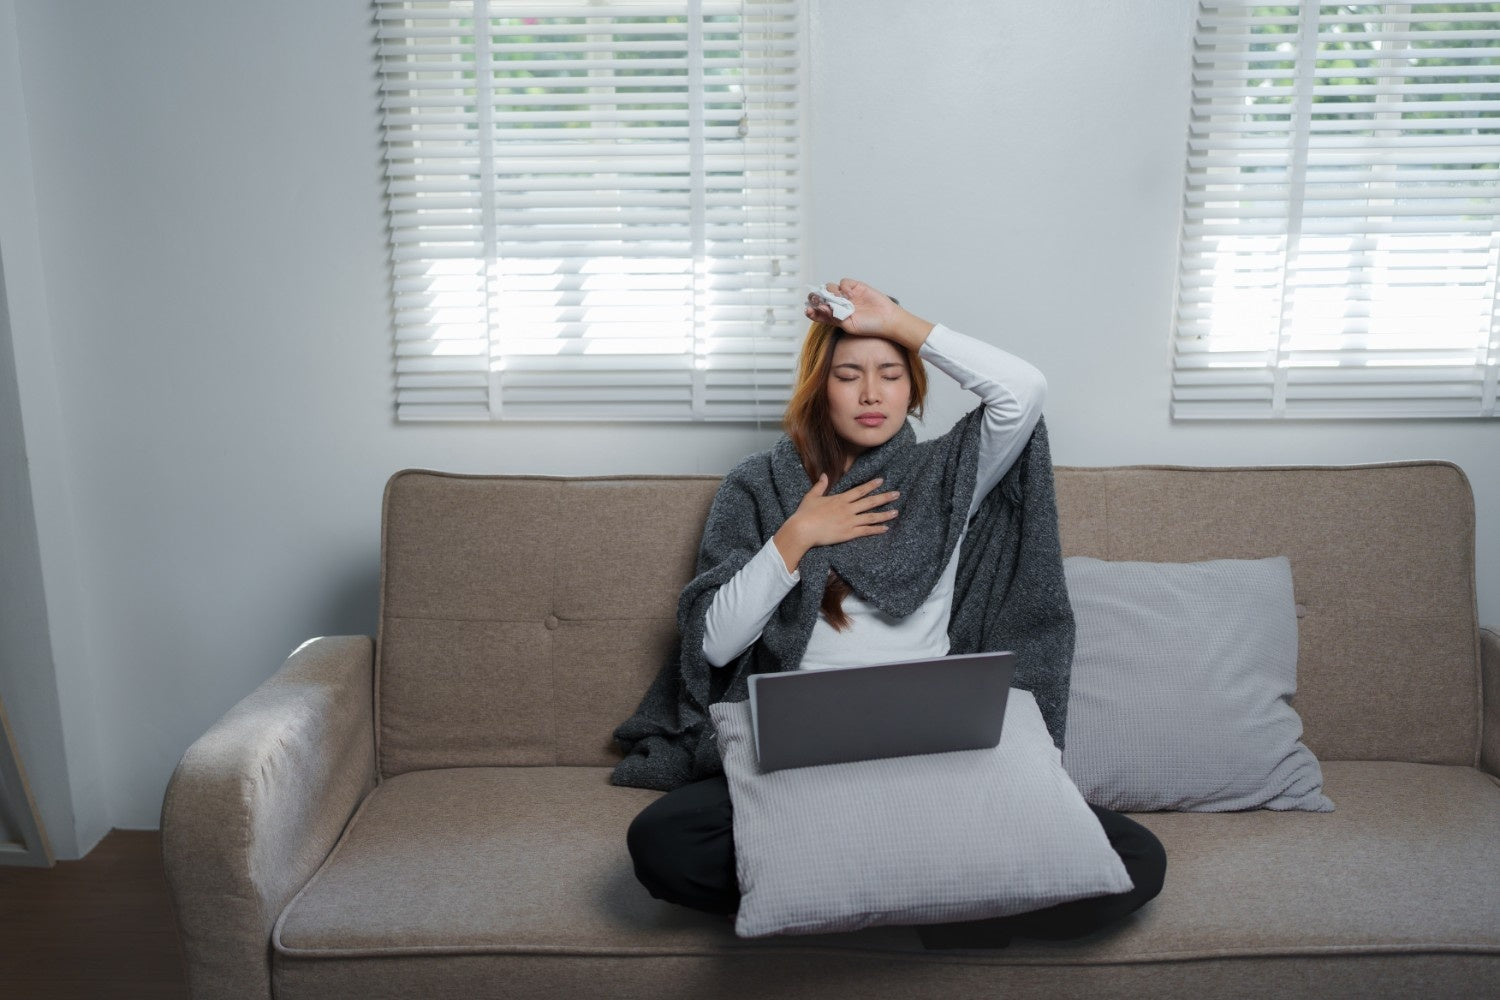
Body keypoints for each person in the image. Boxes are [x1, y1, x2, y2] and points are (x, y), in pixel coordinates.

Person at [616, 279, 1165, 946]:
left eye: (891, 374)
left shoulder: (947, 474)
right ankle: (927, 901)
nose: (872, 394)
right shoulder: (759, 485)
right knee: (662, 842)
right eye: (849, 375)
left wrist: (899, 321)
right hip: (802, 754)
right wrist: (799, 535)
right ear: (820, 386)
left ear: (915, 385)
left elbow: (1023, 390)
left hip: (933, 748)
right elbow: (716, 646)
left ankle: (854, 899)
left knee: (1134, 861)